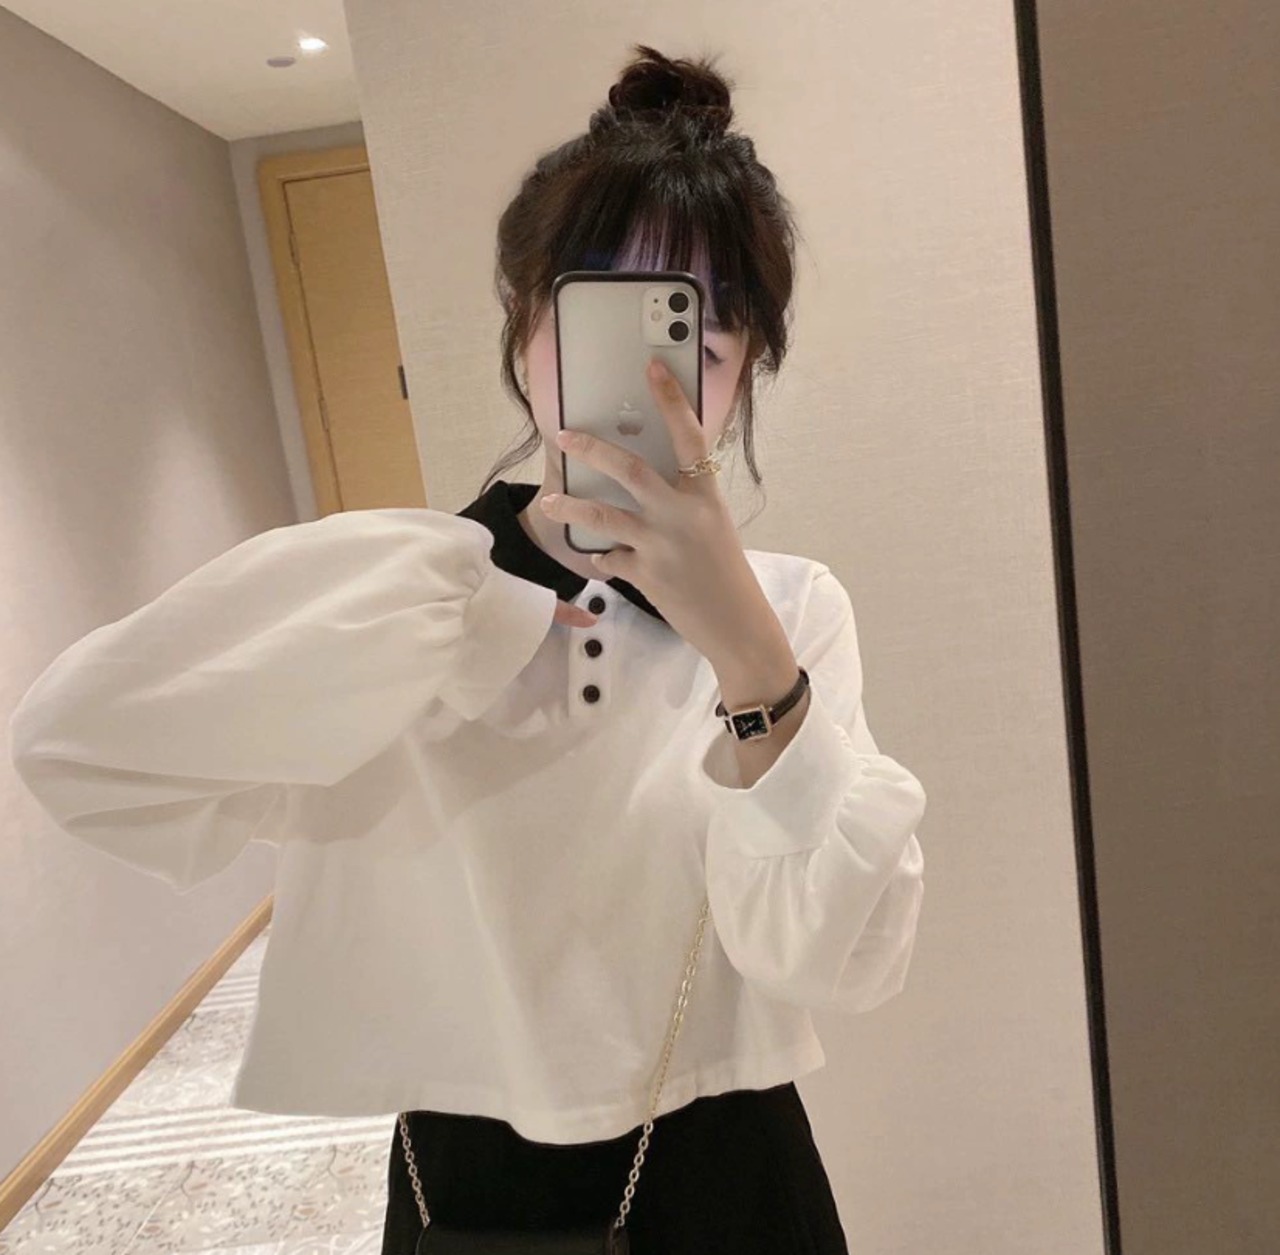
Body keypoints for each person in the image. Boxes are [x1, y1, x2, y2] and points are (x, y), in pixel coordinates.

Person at [8, 44, 927, 1255]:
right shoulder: (399, 604)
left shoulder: (793, 614)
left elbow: (834, 964)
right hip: (459, 1184)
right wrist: (466, 610)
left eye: (699, 336)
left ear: (747, 365)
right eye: (600, 319)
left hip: (725, 1172)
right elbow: (77, 749)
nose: (650, 376)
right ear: (524, 322)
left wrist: (748, 658)